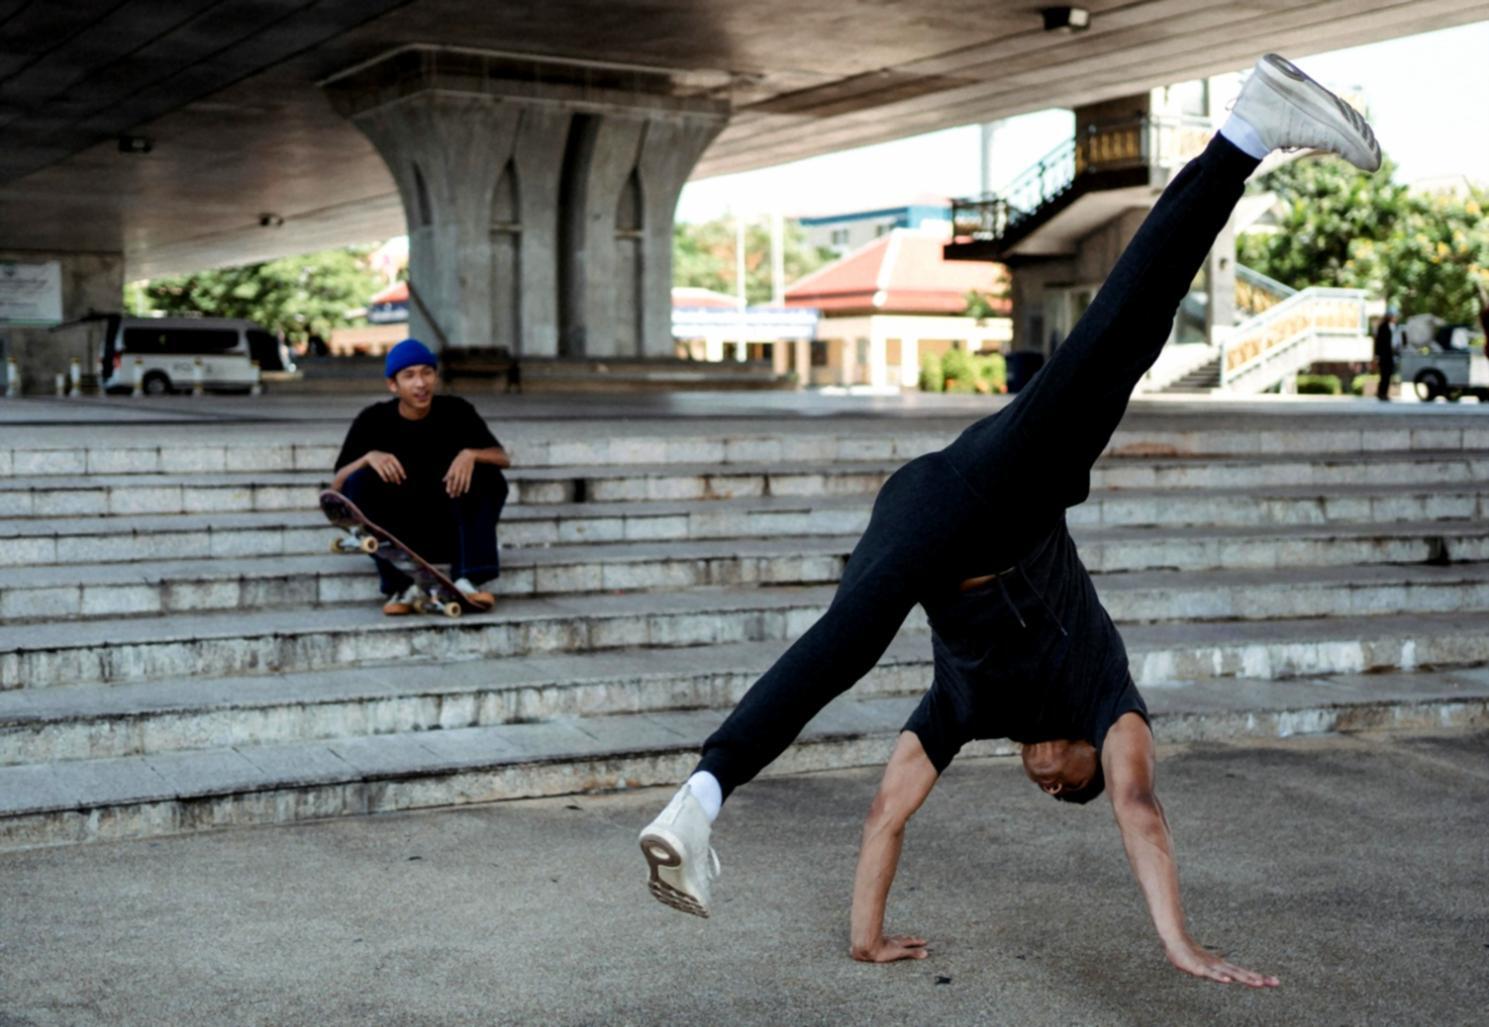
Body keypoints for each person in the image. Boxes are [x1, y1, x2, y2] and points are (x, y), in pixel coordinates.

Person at [638, 53, 1382, 987]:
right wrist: (1180, 944)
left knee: (844, 641)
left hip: (917, 515)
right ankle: (1246, 131)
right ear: (1091, 753)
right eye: (1069, 779)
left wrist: (866, 936)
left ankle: (702, 794)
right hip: (1003, 495)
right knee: (1115, 341)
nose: (1047, 777)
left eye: (1050, 786)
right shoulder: (1106, 694)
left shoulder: (963, 711)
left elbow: (885, 813)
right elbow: (1140, 811)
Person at [332, 337, 511, 615]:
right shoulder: (372, 420)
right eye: (409, 376)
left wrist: (471, 454)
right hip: (401, 539)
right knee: (360, 480)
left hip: (453, 533)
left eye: (427, 373)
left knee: (488, 475)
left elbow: (502, 458)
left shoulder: (457, 411)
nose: (420, 383)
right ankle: (401, 586)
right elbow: (337, 490)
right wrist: (367, 458)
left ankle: (468, 579)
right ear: (393, 385)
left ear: (435, 377)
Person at [1373, 309, 1397, 401]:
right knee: (1385, 375)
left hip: (1387, 355)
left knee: (1386, 375)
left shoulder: (1388, 327)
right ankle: (1382, 393)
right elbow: (1379, 342)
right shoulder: (1383, 327)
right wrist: (1377, 355)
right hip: (1385, 356)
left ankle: (1383, 393)